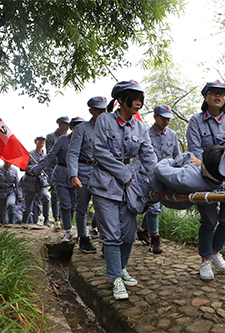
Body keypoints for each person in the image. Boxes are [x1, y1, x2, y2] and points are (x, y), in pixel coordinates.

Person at [90, 80, 157, 300]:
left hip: (130, 187)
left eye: (140, 99)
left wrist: (160, 180)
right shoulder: (105, 121)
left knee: (128, 234)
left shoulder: (140, 127)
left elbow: (148, 156)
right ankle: (116, 278)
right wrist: (124, 174)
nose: (138, 102)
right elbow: (100, 152)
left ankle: (122, 268)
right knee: (112, 234)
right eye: (134, 98)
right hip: (105, 184)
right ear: (121, 100)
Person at [186, 80, 225, 281]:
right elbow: (195, 152)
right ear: (205, 97)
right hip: (203, 177)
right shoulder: (196, 121)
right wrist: (209, 167)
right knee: (208, 220)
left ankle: (215, 252)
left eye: (222, 94)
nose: (218, 96)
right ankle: (205, 260)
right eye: (214, 93)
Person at [30, 117, 85, 242]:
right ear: (71, 128)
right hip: (61, 174)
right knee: (65, 204)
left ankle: (69, 228)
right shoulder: (63, 140)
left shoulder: (85, 141)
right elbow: (50, 156)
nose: (78, 129)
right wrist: (37, 168)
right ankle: (68, 231)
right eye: (75, 126)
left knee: (73, 205)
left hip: (77, 175)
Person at [136, 104, 180, 254]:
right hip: (148, 175)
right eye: (163, 118)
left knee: (155, 205)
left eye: (168, 119)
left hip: (165, 175)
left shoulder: (172, 135)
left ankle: (143, 230)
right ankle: (155, 238)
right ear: (155, 117)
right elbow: (138, 157)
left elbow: (177, 156)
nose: (166, 122)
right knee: (154, 208)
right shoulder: (145, 134)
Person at [67, 96, 108, 253]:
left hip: (102, 172)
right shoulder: (82, 129)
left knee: (104, 208)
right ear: (91, 111)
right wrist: (74, 175)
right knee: (82, 207)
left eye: (104, 110)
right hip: (84, 172)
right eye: (98, 110)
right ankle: (83, 238)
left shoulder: (110, 128)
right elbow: (72, 153)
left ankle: (107, 241)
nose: (102, 113)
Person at [19, 135, 51, 225]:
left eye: (43, 140)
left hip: (41, 181)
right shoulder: (29, 154)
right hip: (29, 180)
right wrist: (33, 166)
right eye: (39, 140)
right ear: (35, 142)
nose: (42, 142)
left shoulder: (46, 156)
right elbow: (22, 167)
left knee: (46, 196)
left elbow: (48, 169)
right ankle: (24, 222)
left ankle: (46, 218)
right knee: (28, 205)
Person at [46, 116, 70, 224]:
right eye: (65, 124)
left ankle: (62, 218)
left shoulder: (69, 137)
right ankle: (56, 218)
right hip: (54, 166)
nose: (67, 126)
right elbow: (51, 153)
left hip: (66, 167)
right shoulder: (51, 137)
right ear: (59, 124)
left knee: (65, 193)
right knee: (55, 191)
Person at [0, 161, 21, 225]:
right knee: (2, 212)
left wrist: (19, 194)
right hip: (0, 191)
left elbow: (17, 183)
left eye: (10, 163)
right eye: (7, 163)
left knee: (11, 204)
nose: (8, 164)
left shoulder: (14, 170)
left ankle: (11, 222)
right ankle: (3, 225)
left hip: (10, 191)